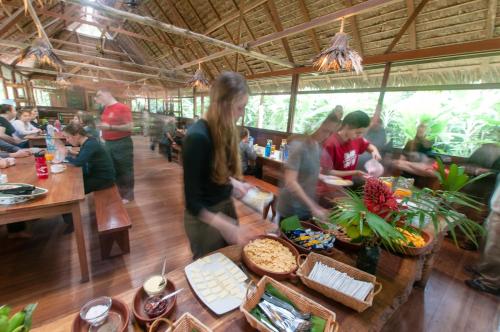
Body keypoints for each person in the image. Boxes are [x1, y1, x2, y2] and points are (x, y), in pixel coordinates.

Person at [183, 71, 261, 259]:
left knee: (230, 260)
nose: (241, 114)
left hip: (224, 206)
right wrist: (228, 227)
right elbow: (193, 203)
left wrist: (235, 184)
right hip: (205, 218)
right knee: (209, 269)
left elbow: (214, 172)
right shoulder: (197, 137)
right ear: (223, 105)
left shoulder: (222, 130)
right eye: (239, 108)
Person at [278, 112, 341, 221]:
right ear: (314, 126)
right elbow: (291, 182)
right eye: (325, 131)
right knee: (289, 236)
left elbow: (308, 171)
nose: (327, 136)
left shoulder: (316, 145)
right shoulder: (298, 145)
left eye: (330, 132)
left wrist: (324, 178)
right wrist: (314, 207)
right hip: (291, 208)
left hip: (305, 207)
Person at [95, 89, 134, 204]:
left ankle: (128, 195)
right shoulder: (106, 108)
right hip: (108, 143)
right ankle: (119, 192)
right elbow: (106, 125)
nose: (97, 98)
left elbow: (130, 127)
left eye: (99, 95)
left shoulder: (122, 107)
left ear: (108, 93)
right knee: (113, 169)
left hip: (122, 143)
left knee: (125, 169)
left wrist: (110, 128)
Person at [321, 110, 381, 180]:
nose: (360, 135)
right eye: (358, 132)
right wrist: (355, 173)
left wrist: (375, 151)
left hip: (346, 183)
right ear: (347, 126)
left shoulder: (357, 139)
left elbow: (368, 146)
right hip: (331, 184)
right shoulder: (330, 144)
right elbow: (326, 171)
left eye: (363, 133)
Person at [465, 175, 500, 296]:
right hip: (496, 207)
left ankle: (489, 282)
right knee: (487, 241)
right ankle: (482, 268)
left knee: (495, 247)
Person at [59, 124, 115, 194]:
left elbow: (78, 162)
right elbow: (83, 156)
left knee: (73, 190)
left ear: (77, 135)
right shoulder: (88, 141)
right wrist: (72, 153)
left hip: (103, 179)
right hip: (96, 174)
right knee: (70, 181)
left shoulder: (90, 144)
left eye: (68, 137)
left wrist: (65, 155)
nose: (67, 140)